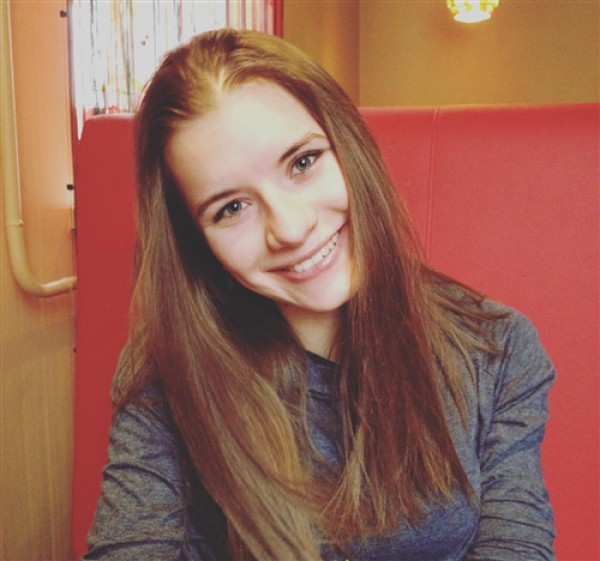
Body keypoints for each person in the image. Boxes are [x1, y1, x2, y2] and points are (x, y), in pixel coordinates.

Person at [84, 29, 556, 561]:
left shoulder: (496, 348)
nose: (290, 228)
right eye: (231, 208)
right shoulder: (166, 371)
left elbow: (516, 545)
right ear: (197, 243)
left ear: (349, 147)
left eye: (303, 163)